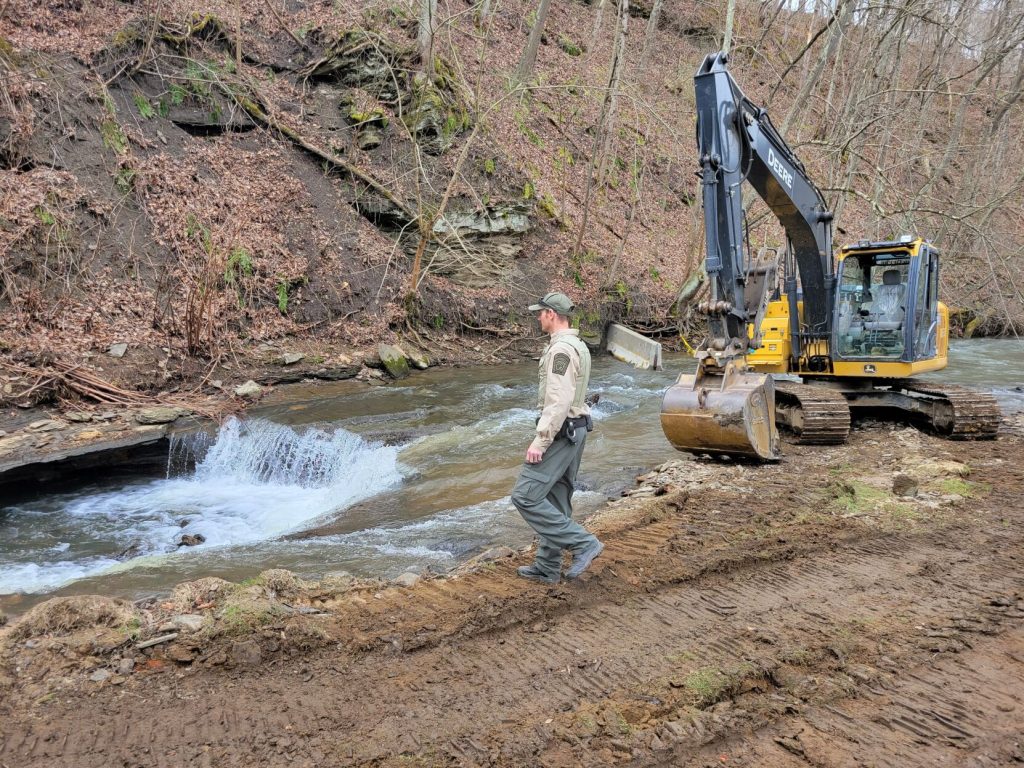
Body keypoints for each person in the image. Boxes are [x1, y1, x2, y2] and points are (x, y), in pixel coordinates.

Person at [510, 292, 604, 584]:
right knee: (557, 499)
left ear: (552, 314)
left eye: (541, 312)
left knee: (524, 496)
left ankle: (584, 543)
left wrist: (540, 441)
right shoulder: (578, 345)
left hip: (561, 433)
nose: (538, 317)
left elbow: (558, 402)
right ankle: (547, 567)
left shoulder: (561, 350)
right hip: (575, 431)